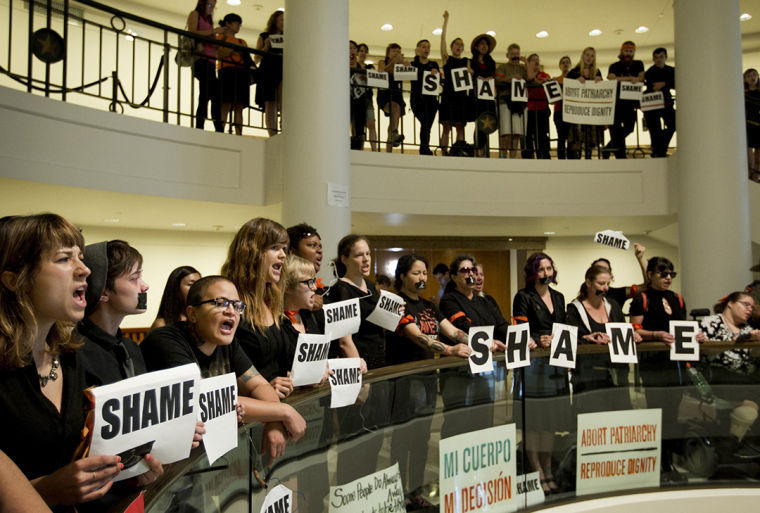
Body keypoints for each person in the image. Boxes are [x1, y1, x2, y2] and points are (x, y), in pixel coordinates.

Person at [0, 214, 158, 509]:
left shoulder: (70, 358)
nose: (85, 270)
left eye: (81, 257)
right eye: (63, 259)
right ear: (14, 279)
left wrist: (126, 473)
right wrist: (45, 490)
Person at [141, 275, 306, 465]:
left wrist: (274, 422)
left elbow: (259, 385)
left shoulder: (227, 343)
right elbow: (209, 401)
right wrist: (284, 411)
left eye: (237, 306)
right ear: (192, 314)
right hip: (156, 464)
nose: (231, 312)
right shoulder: (166, 341)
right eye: (220, 303)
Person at [387, 254, 470, 508]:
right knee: (403, 440)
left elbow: (452, 331)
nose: (422, 278)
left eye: (424, 273)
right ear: (402, 276)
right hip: (404, 380)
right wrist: (450, 350)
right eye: (416, 273)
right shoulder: (396, 303)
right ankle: (399, 494)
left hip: (426, 380)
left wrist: (479, 341)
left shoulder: (429, 306)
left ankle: (416, 491)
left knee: (421, 440)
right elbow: (417, 336)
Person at [629, 256, 706, 480]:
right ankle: (659, 462)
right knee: (657, 412)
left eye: (671, 274)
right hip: (653, 364)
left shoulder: (677, 298)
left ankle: (669, 461)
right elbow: (635, 329)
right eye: (663, 274)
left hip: (676, 364)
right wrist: (656, 334)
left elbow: (682, 327)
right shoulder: (641, 298)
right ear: (651, 274)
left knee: (674, 413)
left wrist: (697, 335)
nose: (668, 278)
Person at [512, 252, 567, 492]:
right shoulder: (523, 296)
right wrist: (537, 338)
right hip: (533, 364)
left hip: (556, 362)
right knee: (533, 421)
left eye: (549, 269)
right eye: (541, 269)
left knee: (550, 420)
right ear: (533, 273)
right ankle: (536, 469)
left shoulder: (559, 297)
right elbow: (519, 330)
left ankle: (548, 464)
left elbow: (564, 326)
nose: (546, 273)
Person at [222, 218, 293, 398]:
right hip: (250, 411)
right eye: (275, 247)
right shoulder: (231, 305)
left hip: (280, 406)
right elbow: (225, 367)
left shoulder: (272, 303)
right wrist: (265, 388)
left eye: (284, 249)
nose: (283, 255)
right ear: (252, 253)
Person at [438, 255, 506, 439]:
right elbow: (463, 326)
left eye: (472, 270)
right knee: (458, 421)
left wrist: (524, 338)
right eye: (464, 270)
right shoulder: (449, 301)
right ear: (454, 276)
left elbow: (501, 326)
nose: (470, 274)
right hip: (458, 372)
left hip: (484, 370)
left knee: (483, 418)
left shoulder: (484, 301)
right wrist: (488, 342)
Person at [566, 265, 642, 414]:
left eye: (608, 284)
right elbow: (570, 339)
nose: (606, 288)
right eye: (601, 284)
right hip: (588, 378)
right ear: (588, 283)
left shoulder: (612, 305)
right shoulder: (574, 309)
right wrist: (586, 337)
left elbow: (622, 330)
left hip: (617, 376)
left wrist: (631, 335)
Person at [76, 240, 149, 388]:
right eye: (134, 279)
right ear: (102, 291)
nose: (145, 286)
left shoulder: (131, 348)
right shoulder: (76, 352)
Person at [186, 0, 225, 132]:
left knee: (213, 95)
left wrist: (219, 35)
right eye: (209, 5)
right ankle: (202, 126)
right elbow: (192, 32)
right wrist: (213, 31)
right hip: (201, 60)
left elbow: (213, 44)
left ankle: (216, 127)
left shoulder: (208, 21)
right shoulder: (195, 14)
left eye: (213, 6)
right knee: (205, 94)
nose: (211, 8)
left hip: (210, 61)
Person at [438, 11, 473, 154]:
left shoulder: (466, 61)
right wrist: (446, 20)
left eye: (461, 45)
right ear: (452, 47)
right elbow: (442, 39)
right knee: (446, 126)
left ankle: (459, 150)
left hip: (461, 97)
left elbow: (470, 75)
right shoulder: (447, 59)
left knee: (460, 125)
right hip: (448, 95)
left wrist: (471, 73)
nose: (459, 46)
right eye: (456, 44)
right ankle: (444, 152)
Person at [604, 41, 645, 159]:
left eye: (630, 51)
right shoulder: (614, 65)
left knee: (629, 128)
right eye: (626, 51)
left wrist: (621, 79)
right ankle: (619, 154)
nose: (628, 53)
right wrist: (631, 78)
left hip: (631, 103)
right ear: (622, 51)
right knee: (616, 128)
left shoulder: (639, 64)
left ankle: (609, 147)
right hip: (616, 102)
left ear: (634, 52)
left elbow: (641, 78)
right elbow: (611, 78)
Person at [567, 47, 604, 159]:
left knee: (590, 135)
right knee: (578, 135)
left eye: (592, 56)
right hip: (577, 111)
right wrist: (576, 82)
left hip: (591, 111)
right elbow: (568, 87)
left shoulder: (597, 72)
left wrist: (600, 82)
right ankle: (576, 156)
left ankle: (589, 155)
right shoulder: (574, 72)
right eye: (587, 55)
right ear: (583, 55)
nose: (589, 58)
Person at [216, 13, 249, 135]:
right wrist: (233, 47)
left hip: (240, 72)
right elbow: (220, 54)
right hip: (226, 70)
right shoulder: (220, 38)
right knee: (225, 103)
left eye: (239, 24)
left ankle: (238, 133)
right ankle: (221, 130)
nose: (238, 26)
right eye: (236, 23)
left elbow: (247, 59)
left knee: (239, 106)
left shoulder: (242, 41)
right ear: (228, 24)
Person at [590, 242, 648, 308]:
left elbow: (647, 286)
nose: (602, 273)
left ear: (611, 276)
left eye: (605, 270)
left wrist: (640, 258)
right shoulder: (583, 298)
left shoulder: (618, 294)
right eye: (598, 270)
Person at [495, 43, 526, 158]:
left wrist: (526, 62)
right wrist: (509, 79)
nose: (515, 56)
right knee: (506, 132)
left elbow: (531, 77)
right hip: (504, 101)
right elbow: (497, 79)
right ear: (507, 55)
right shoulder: (502, 67)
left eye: (517, 54)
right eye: (512, 54)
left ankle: (513, 157)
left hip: (519, 103)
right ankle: (503, 155)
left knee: (517, 132)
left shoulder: (523, 69)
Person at [255, 10, 283, 136]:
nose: (284, 23)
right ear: (275, 21)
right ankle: (272, 133)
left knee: (284, 100)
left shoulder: (290, 37)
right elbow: (256, 58)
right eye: (281, 20)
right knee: (270, 102)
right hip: (268, 70)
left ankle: (285, 129)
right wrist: (266, 47)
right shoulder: (264, 35)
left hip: (283, 70)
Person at [644, 48, 676, 158]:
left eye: (661, 57)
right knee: (654, 129)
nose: (658, 60)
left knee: (674, 124)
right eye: (656, 57)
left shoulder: (672, 71)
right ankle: (658, 150)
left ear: (665, 57)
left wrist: (664, 84)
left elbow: (677, 83)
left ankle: (661, 147)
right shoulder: (649, 72)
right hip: (653, 106)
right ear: (653, 58)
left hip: (666, 103)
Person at [410, 39, 440, 155]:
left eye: (428, 47)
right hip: (417, 100)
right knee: (426, 123)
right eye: (423, 47)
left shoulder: (434, 64)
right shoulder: (413, 64)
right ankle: (424, 147)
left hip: (431, 100)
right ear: (417, 50)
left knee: (426, 125)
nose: (426, 49)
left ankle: (424, 147)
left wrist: (436, 72)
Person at [377, 43, 409, 151]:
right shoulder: (382, 62)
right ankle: (394, 135)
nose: (396, 54)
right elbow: (384, 71)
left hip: (397, 94)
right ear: (388, 54)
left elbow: (410, 74)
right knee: (395, 108)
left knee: (394, 123)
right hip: (385, 94)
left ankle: (389, 151)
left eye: (398, 52)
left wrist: (406, 64)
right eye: (394, 51)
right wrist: (395, 61)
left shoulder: (401, 65)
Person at [470, 34, 497, 157]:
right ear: (476, 47)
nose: (484, 46)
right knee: (480, 123)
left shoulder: (491, 62)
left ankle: (484, 150)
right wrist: (476, 77)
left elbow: (493, 75)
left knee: (489, 122)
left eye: (486, 44)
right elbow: (471, 76)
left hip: (488, 96)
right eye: (481, 44)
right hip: (477, 97)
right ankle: (479, 150)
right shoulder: (471, 62)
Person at [286, 222, 325, 309]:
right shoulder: (274, 290)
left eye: (320, 246)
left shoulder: (322, 292)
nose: (319, 251)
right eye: (313, 245)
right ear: (293, 251)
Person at [523, 53, 551, 159]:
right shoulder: (525, 75)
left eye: (537, 60)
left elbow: (545, 94)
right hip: (529, 109)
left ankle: (543, 156)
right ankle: (528, 157)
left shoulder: (545, 76)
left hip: (542, 109)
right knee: (528, 136)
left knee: (542, 136)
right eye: (533, 60)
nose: (536, 62)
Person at [356, 43, 378, 151]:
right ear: (357, 53)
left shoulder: (370, 67)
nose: (363, 53)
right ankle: (360, 149)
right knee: (359, 127)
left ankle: (374, 149)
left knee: (371, 124)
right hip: (356, 99)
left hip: (368, 99)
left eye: (365, 51)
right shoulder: (354, 66)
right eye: (361, 51)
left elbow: (375, 80)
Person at [349, 40, 368, 150]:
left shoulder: (362, 68)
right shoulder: (340, 64)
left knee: (360, 124)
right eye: (349, 48)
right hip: (345, 99)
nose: (351, 50)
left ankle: (358, 146)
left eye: (353, 48)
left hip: (360, 99)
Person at [553, 56, 573, 159]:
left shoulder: (574, 80)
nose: (565, 64)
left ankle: (570, 158)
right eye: (563, 62)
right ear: (560, 66)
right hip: (559, 111)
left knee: (571, 136)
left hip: (571, 111)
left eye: (567, 62)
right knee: (561, 136)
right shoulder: (556, 80)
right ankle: (561, 158)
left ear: (570, 65)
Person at [744, 68, 760, 181]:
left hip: (759, 126)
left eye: (754, 75)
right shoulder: (743, 94)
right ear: (745, 79)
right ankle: (751, 178)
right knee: (749, 158)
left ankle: (756, 177)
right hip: (748, 126)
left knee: (758, 157)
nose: (752, 77)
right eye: (749, 76)